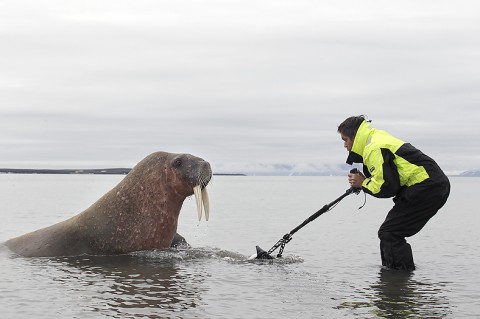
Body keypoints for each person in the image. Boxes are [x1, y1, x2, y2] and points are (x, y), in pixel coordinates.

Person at [337, 115, 450, 271]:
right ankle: (394, 280)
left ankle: (399, 282)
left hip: (427, 187)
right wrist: (364, 182)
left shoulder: (374, 148)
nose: (344, 145)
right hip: (428, 186)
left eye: (345, 140)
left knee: (390, 233)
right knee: (389, 233)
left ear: (355, 137)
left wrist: (363, 183)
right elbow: (388, 179)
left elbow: (387, 187)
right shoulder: (375, 139)